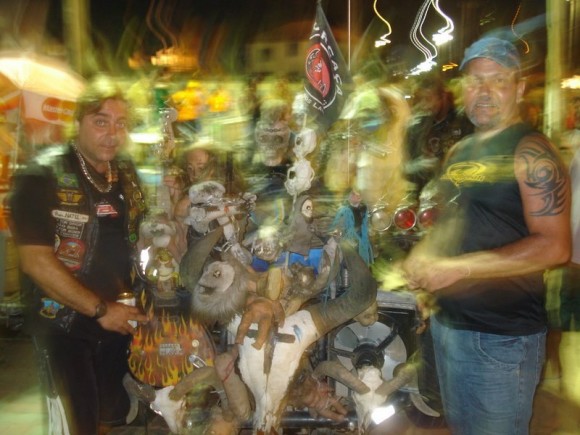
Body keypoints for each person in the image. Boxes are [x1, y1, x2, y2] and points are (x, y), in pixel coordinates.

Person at [402, 36, 571, 435]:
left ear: (519, 88)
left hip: (501, 340)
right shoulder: (460, 151)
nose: (484, 91)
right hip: (448, 327)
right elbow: (452, 222)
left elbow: (555, 246)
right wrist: (425, 256)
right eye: (475, 81)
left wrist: (459, 269)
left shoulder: (532, 151)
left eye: (498, 80)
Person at [8, 75, 149, 435]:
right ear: (77, 122)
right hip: (64, 324)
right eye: (101, 121)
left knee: (110, 417)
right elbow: (36, 261)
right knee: (75, 424)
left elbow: (137, 237)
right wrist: (101, 310)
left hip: (118, 320)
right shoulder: (41, 176)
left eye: (121, 123)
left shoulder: (125, 172)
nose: (112, 134)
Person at [404, 72, 473, 201]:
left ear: (442, 97)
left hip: (459, 198)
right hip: (426, 201)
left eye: (428, 99)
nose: (424, 105)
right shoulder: (417, 127)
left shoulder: (463, 121)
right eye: (420, 100)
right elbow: (404, 169)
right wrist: (416, 166)